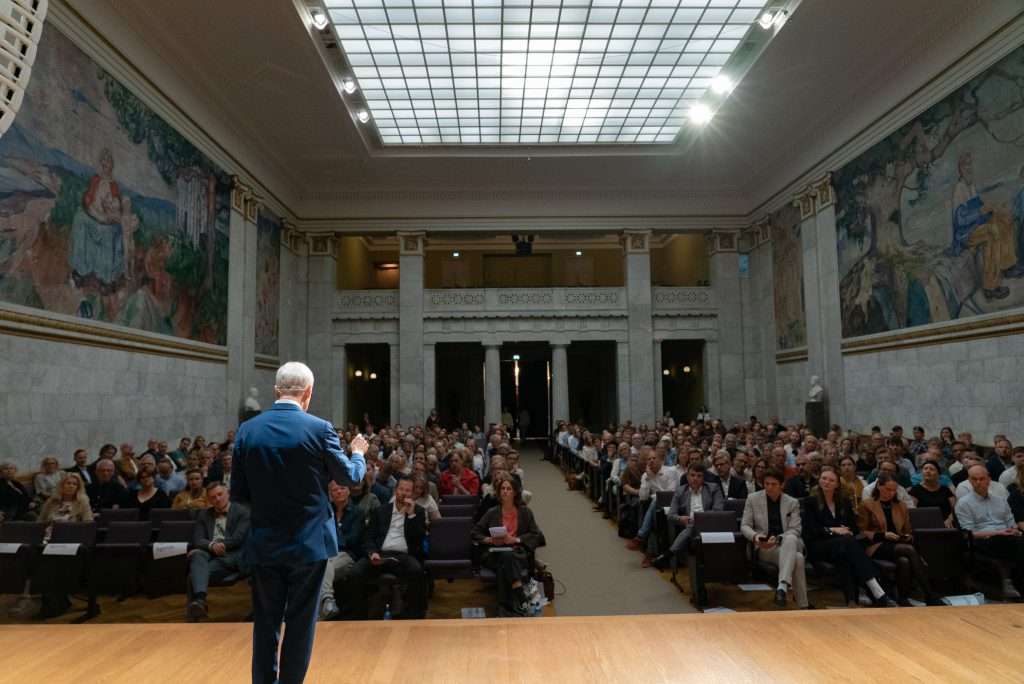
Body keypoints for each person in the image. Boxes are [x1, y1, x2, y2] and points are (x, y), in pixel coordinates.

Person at [231, 361, 367, 684]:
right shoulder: (319, 428)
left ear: (276, 391)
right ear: (308, 392)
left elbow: (239, 494)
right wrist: (358, 453)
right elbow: (349, 478)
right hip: (308, 544)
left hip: (264, 543)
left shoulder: (247, 431)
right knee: (301, 623)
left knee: (266, 623)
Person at [802, 469, 894, 607]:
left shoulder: (843, 503)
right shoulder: (809, 502)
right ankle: (876, 590)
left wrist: (847, 531)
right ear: (819, 480)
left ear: (837, 485)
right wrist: (833, 530)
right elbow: (810, 531)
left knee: (845, 555)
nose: (826, 482)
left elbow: (854, 529)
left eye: (831, 480)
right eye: (824, 478)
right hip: (818, 546)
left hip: (841, 547)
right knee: (847, 544)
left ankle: (852, 601)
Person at [858, 474, 941, 606]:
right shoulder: (867, 504)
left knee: (904, 561)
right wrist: (884, 535)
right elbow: (861, 532)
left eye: (893, 490)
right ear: (879, 486)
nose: (891, 493)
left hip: (897, 543)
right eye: (887, 489)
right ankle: (929, 594)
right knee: (908, 550)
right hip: (876, 544)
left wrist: (907, 536)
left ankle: (903, 598)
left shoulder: (901, 505)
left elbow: (908, 530)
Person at [351, 476, 427, 619]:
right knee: (356, 572)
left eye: (408, 490)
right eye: (401, 489)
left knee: (416, 570)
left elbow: (418, 540)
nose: (404, 493)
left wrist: (411, 515)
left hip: (404, 556)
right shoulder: (381, 511)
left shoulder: (418, 512)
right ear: (395, 490)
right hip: (380, 554)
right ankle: (358, 616)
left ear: (413, 494)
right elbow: (368, 537)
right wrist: (372, 552)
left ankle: (414, 615)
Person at [472, 473, 546, 616]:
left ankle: (504, 607)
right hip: (494, 552)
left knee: (505, 561)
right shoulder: (492, 512)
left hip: (517, 553)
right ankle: (519, 595)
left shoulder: (525, 512)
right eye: (503, 489)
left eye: (509, 489)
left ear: (515, 492)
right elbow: (475, 532)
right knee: (505, 556)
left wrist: (516, 540)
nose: (505, 491)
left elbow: (537, 535)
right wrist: (489, 540)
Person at [740, 468, 809, 608]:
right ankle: (802, 605)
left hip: (786, 543)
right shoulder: (753, 499)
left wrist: (778, 539)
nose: (769, 487)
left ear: (782, 485)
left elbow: (796, 529)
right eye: (767, 484)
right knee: (798, 559)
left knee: (790, 539)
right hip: (765, 547)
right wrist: (756, 537)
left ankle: (782, 587)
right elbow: (745, 526)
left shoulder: (792, 502)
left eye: (773, 484)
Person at [956, 464, 1024, 600]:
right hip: (983, 540)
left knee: (1019, 541)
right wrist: (999, 533)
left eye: (982, 479)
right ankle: (1015, 584)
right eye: (974, 479)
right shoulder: (964, 503)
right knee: (1018, 544)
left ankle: (1015, 584)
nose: (978, 482)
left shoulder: (1000, 501)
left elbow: (1011, 524)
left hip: (1007, 537)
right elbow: (969, 533)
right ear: (969, 481)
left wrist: (1014, 531)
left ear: (989, 480)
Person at [187, 482, 251, 620]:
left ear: (227, 493)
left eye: (220, 494)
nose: (217, 499)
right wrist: (211, 546)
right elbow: (198, 539)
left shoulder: (242, 512)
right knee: (197, 555)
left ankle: (198, 605)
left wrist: (216, 545)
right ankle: (199, 604)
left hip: (231, 556)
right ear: (209, 500)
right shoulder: (204, 514)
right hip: (210, 555)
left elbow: (237, 540)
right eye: (213, 497)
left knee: (194, 574)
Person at [654, 463, 724, 569]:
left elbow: (718, 511)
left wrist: (700, 518)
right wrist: (681, 518)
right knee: (692, 525)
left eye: (699, 476)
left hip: (710, 525)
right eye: (692, 475)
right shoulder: (680, 491)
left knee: (694, 523)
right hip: (689, 527)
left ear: (703, 478)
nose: (695, 479)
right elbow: (671, 515)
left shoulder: (713, 488)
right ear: (687, 476)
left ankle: (668, 554)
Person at [319, 481, 365, 621]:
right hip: (326, 554)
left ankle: (327, 599)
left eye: (342, 488)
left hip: (347, 555)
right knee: (319, 567)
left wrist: (333, 535)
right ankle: (324, 611)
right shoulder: (325, 512)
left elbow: (352, 540)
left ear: (349, 491)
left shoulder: (358, 512)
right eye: (334, 490)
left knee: (323, 567)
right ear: (330, 494)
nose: (338, 492)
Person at [908, 460, 956, 527]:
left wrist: (950, 519)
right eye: (925, 469)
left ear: (938, 474)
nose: (928, 471)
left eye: (932, 469)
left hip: (946, 524)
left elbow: (955, 508)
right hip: (924, 525)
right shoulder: (915, 490)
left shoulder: (945, 489)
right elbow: (913, 511)